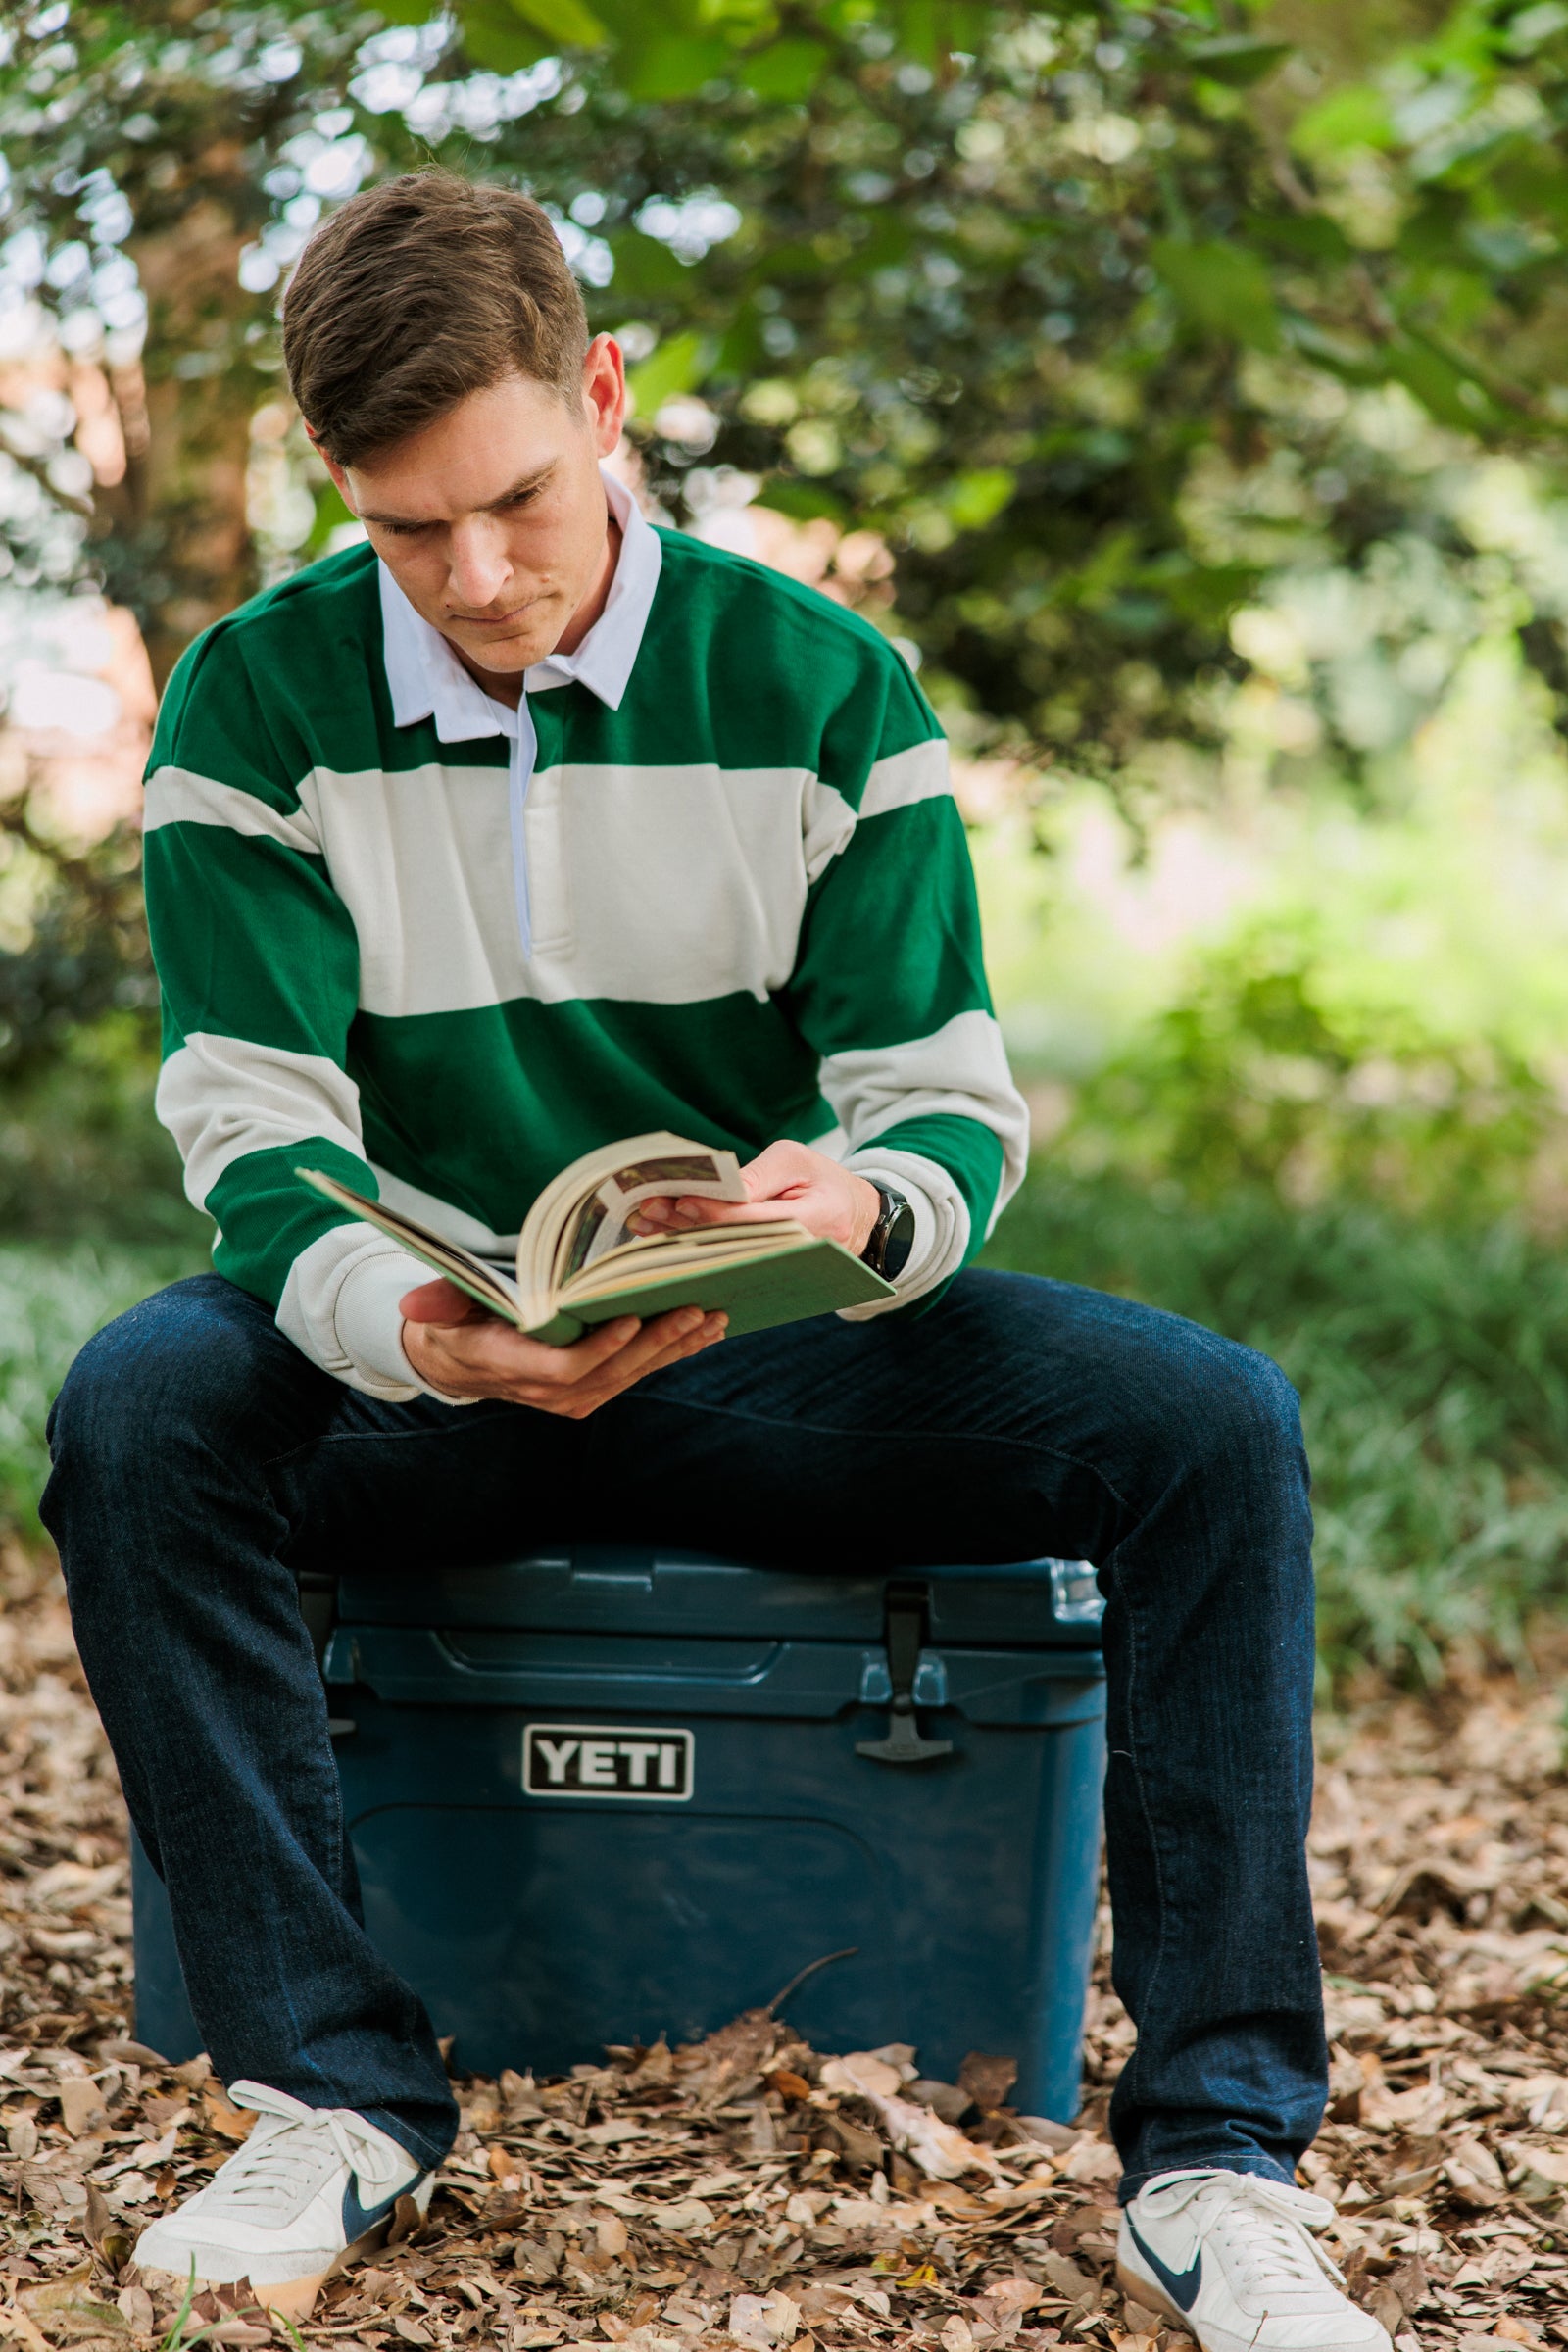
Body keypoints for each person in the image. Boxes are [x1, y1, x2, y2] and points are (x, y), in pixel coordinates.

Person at [42, 172, 1379, 2352]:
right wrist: (420, 1326)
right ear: (337, 490)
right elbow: (251, 1134)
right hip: (429, 1375)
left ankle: (1220, 2159)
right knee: (138, 1406)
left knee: (1210, 1425)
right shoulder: (256, 705)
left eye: (514, 502)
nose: (474, 580)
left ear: (603, 393)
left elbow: (942, 1096)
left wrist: (853, 1205)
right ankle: (331, 2092)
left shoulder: (822, 683)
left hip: (767, 1366)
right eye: (404, 533)